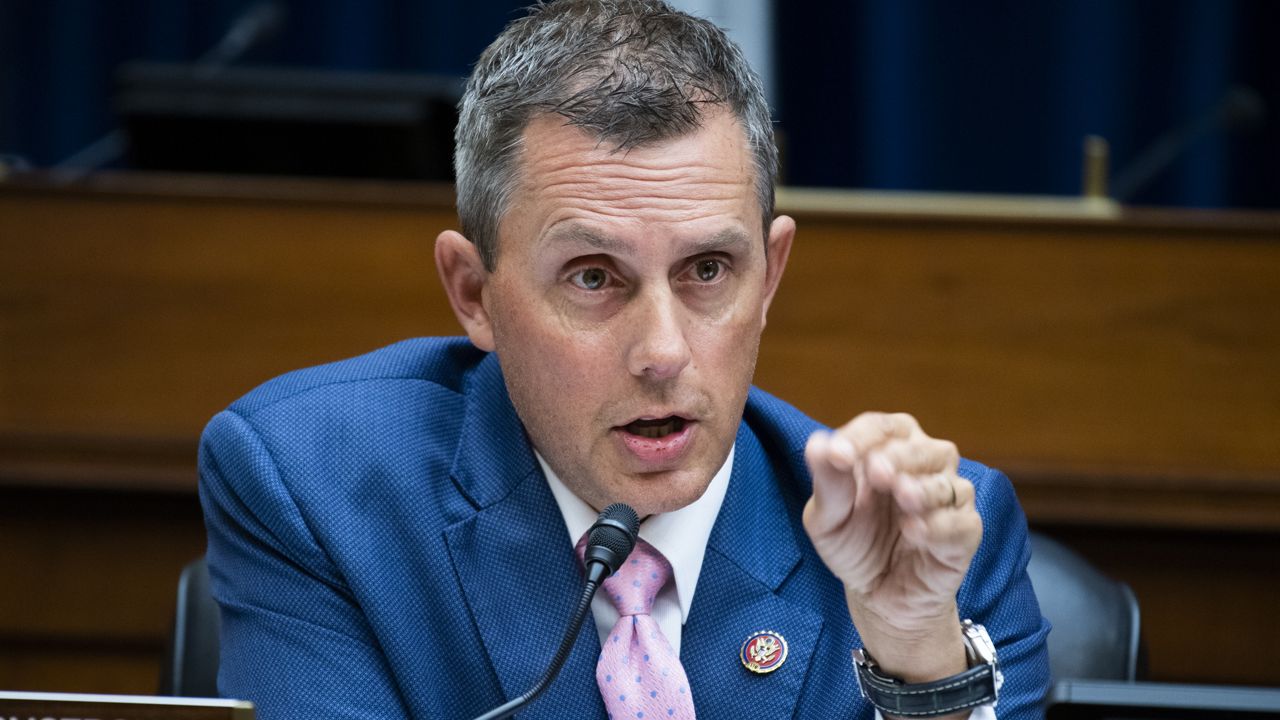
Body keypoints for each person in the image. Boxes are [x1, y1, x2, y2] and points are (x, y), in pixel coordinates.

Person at [198, 1, 1051, 718]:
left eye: (708, 271)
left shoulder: (932, 543)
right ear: (473, 291)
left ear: (771, 274)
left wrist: (916, 657)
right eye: (594, 277)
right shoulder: (317, 487)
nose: (663, 352)